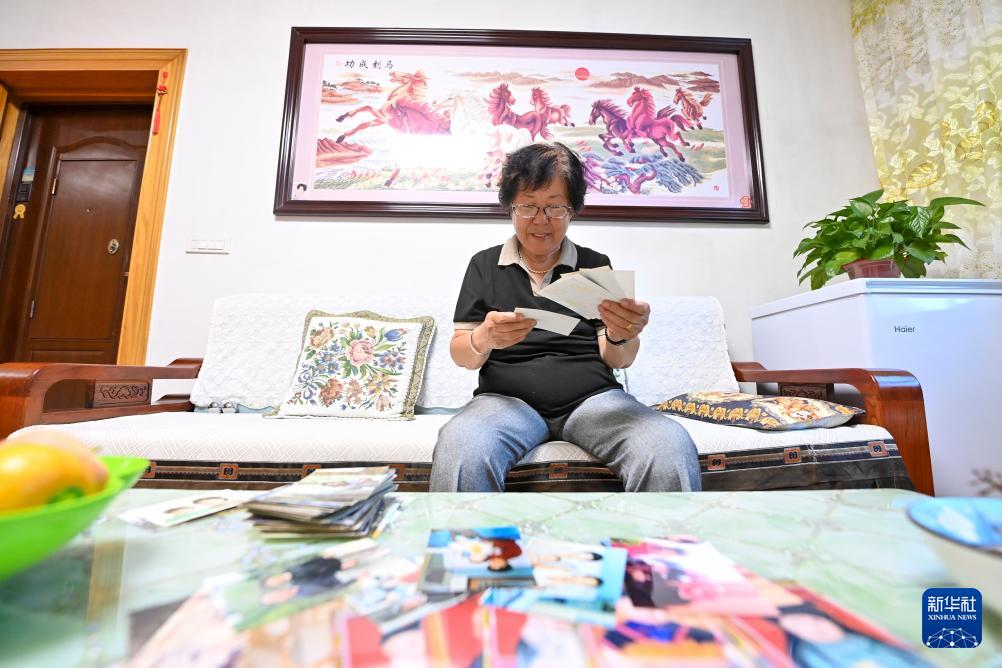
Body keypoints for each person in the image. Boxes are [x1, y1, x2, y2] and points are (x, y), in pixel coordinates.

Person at [429, 142, 700, 492]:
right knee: (462, 445)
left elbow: (618, 358)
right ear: (510, 207)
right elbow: (462, 355)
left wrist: (623, 333)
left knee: (667, 444)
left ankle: (662, 532)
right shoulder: (484, 264)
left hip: (592, 401)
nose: (541, 220)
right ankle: (468, 534)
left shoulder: (594, 264)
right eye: (528, 206)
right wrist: (485, 338)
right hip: (505, 403)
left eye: (555, 207)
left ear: (573, 210)